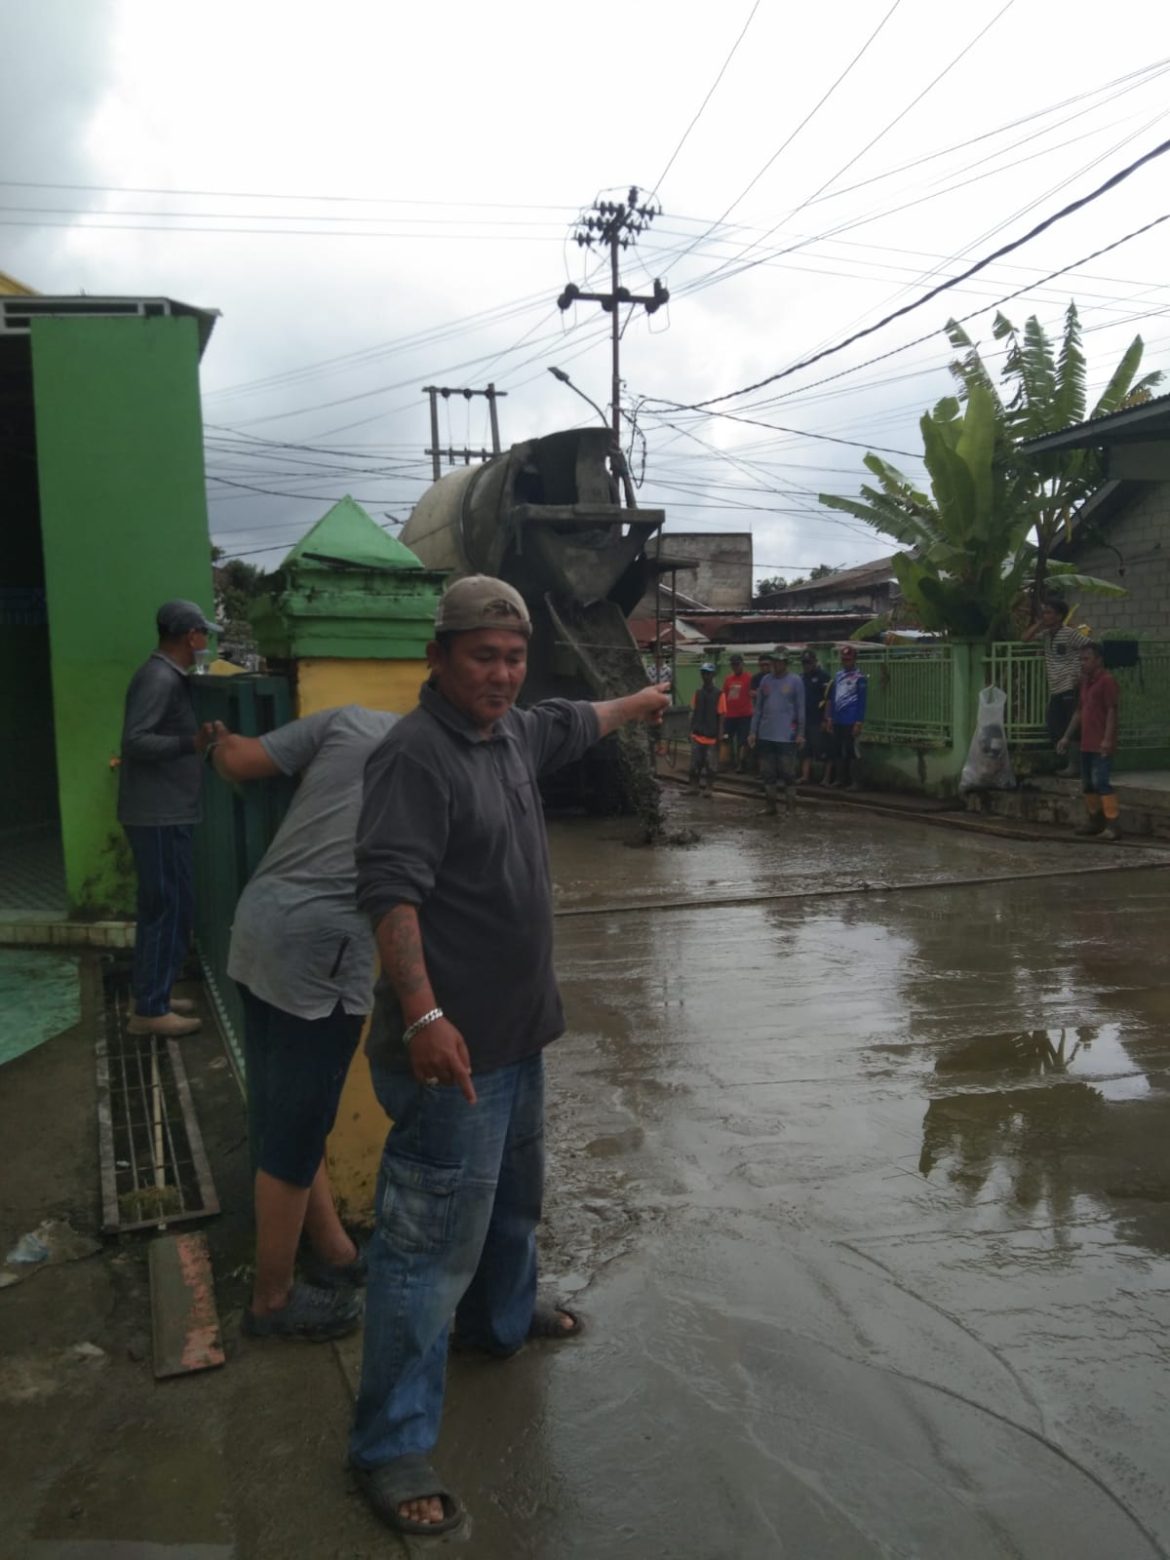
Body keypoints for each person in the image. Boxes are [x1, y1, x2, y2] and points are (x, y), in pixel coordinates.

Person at [348, 575, 670, 1537]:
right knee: (423, 1252)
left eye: (514, 658)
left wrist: (640, 702)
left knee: (514, 1202)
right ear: (438, 657)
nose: (500, 673)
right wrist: (422, 1015)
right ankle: (391, 1446)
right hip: (451, 1052)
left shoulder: (513, 735)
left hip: (520, 1034)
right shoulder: (416, 755)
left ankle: (499, 1321)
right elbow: (390, 892)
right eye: (483, 656)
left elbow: (576, 721)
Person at [210, 705, 398, 1341]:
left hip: (258, 929)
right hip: (320, 960)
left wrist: (216, 742)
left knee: (288, 1114)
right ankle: (272, 1300)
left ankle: (335, 1251)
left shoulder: (349, 720)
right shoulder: (441, 762)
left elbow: (238, 759)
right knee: (295, 1130)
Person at [117, 599, 219, 1038]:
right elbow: (135, 741)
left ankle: (151, 995)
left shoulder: (168, 676)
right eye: (203, 633)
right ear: (190, 636)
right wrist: (190, 743)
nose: (205, 641)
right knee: (167, 908)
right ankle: (150, 1010)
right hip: (157, 814)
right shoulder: (159, 678)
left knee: (163, 907)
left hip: (163, 810)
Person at [1057, 641, 1121, 840]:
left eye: (1087, 659)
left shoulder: (1107, 681)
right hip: (1086, 742)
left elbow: (1112, 711)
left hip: (1101, 742)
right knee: (1087, 784)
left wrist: (1107, 739)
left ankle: (1112, 824)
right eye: (1081, 659)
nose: (1083, 663)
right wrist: (1066, 737)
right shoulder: (1085, 683)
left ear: (1099, 660)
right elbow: (1079, 711)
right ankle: (1094, 820)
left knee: (1101, 782)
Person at [1022, 597, 1085, 771]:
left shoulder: (1069, 633)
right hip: (1056, 687)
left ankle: (1074, 766)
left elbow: (1090, 647)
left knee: (1071, 726)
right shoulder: (1046, 635)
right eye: (1044, 612)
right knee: (1054, 724)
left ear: (1059, 616)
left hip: (1070, 685)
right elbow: (1024, 638)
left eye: (1049, 613)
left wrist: (1081, 673)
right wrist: (1039, 624)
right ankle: (1066, 762)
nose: (1045, 616)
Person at [749, 649, 805, 816]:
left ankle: (791, 808)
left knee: (788, 774)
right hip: (766, 734)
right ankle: (770, 806)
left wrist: (800, 733)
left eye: (780, 662)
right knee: (768, 773)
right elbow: (758, 708)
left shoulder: (795, 681)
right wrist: (753, 731)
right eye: (775, 662)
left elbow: (801, 709)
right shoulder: (765, 680)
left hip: (786, 736)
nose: (776, 665)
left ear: (786, 663)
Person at [825, 644, 868, 790]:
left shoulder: (859, 678)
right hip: (838, 719)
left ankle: (856, 781)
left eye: (848, 660)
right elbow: (833, 697)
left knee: (852, 751)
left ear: (854, 660)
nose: (845, 662)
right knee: (837, 750)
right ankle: (840, 779)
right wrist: (830, 718)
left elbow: (862, 701)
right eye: (843, 659)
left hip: (851, 720)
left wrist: (859, 721)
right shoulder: (838, 676)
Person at [798, 649, 831, 786]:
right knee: (805, 750)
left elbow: (828, 700)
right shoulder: (801, 677)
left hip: (818, 719)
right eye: (804, 663)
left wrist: (826, 719)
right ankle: (805, 776)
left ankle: (826, 778)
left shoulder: (824, 677)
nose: (806, 665)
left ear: (815, 662)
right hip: (805, 719)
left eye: (809, 663)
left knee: (823, 749)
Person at [689, 662, 722, 794]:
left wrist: (720, 735)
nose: (705, 676)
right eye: (703, 673)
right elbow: (693, 713)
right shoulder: (697, 693)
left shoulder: (719, 694)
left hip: (711, 736)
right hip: (697, 735)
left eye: (708, 673)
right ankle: (693, 787)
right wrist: (690, 731)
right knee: (694, 764)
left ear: (713, 675)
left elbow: (721, 716)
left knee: (710, 765)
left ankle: (709, 788)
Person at [720, 653, 754, 772]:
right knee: (726, 738)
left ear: (742, 664)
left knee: (742, 740)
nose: (735, 667)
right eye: (733, 665)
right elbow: (724, 696)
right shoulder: (728, 679)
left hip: (745, 715)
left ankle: (741, 763)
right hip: (730, 715)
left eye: (737, 664)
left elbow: (753, 693)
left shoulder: (749, 678)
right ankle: (728, 761)